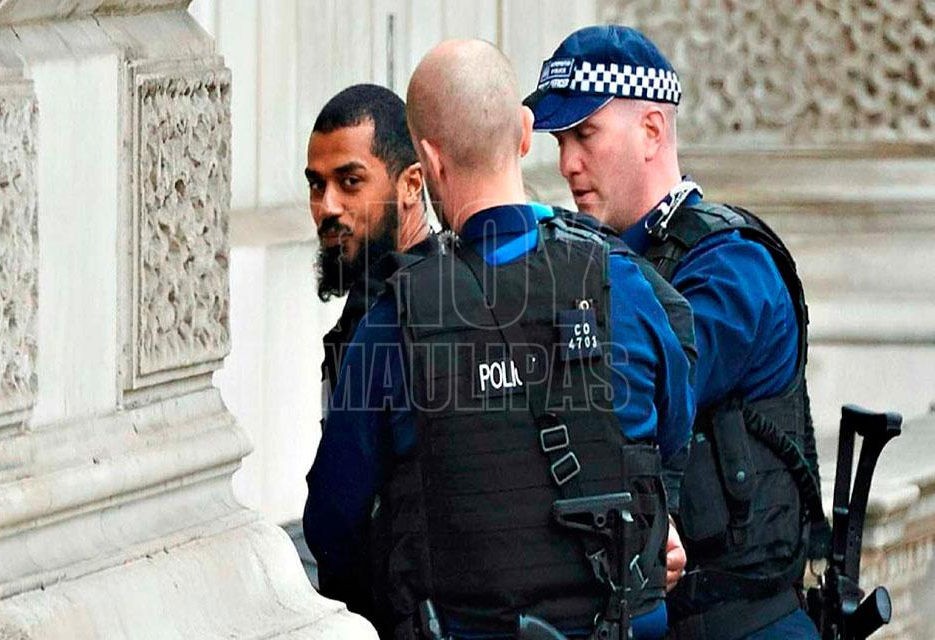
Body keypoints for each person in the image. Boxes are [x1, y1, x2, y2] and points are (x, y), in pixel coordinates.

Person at [304, 38, 695, 640]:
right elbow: (671, 435)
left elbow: (333, 525)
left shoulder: (393, 322)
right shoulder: (624, 284)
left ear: (428, 160)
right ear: (525, 134)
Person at [525, 24, 823, 640]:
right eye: (560, 141)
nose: (567, 164)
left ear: (652, 130)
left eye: (585, 135)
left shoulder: (732, 265)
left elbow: (635, 389)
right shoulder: (596, 263)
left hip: (744, 621)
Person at [306, 84, 433, 410]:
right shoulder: (371, 305)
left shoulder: (431, 314)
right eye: (317, 184)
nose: (327, 207)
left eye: (350, 182)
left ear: (411, 185)